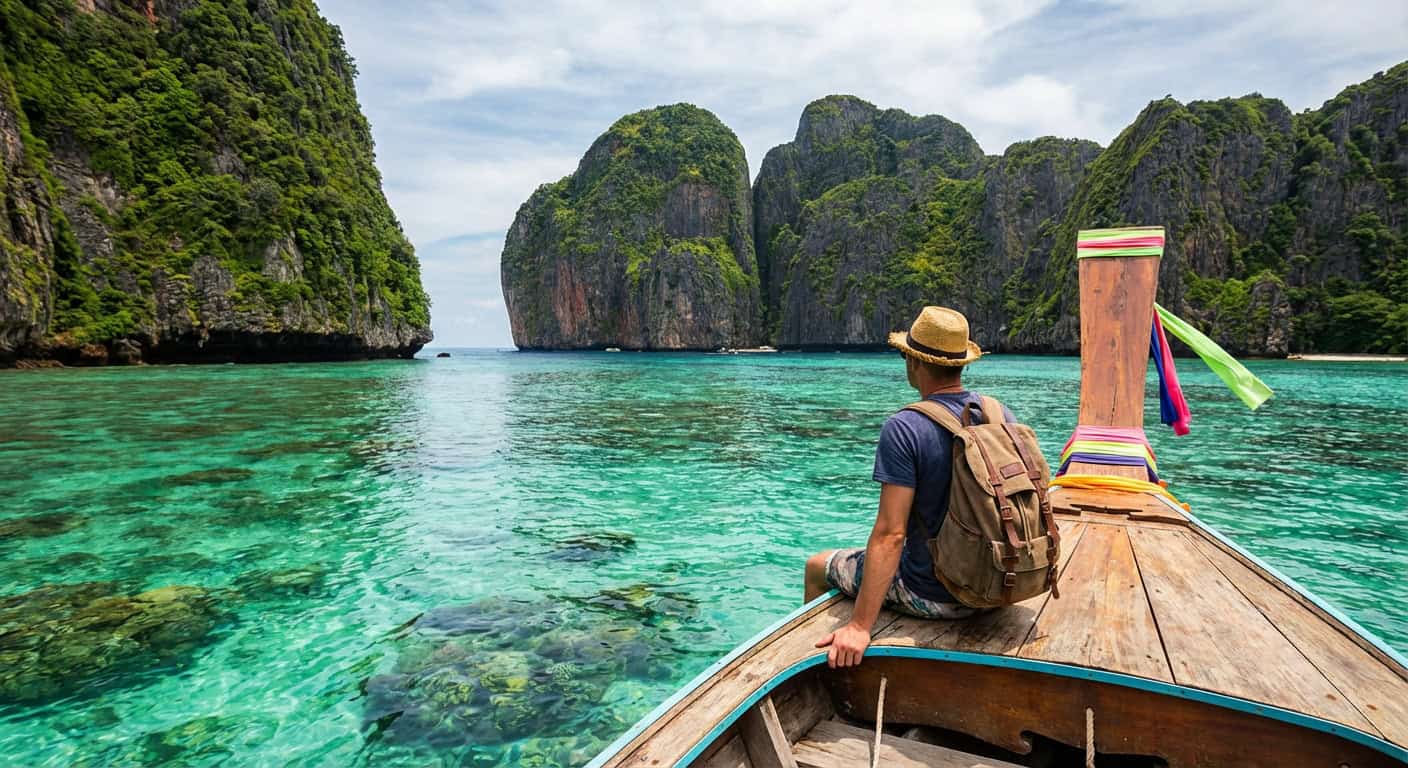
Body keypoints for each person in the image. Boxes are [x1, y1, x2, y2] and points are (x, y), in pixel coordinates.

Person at [805, 305, 1013, 669]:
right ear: (961, 362)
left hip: (937, 595)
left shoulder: (904, 427)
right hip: (998, 587)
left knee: (816, 565)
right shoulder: (997, 413)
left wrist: (859, 626)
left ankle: (814, 665)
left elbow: (891, 535)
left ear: (913, 363)